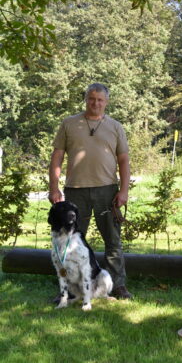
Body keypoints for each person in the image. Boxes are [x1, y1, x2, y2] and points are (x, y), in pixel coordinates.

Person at [49, 83, 132, 299]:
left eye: (100, 99)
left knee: (113, 241)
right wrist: (53, 186)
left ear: (107, 102)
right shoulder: (69, 123)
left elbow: (123, 160)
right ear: (86, 99)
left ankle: (118, 285)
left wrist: (123, 190)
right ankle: (67, 289)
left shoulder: (115, 127)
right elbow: (57, 155)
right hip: (75, 191)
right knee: (68, 241)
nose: (95, 103)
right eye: (91, 98)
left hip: (107, 190)